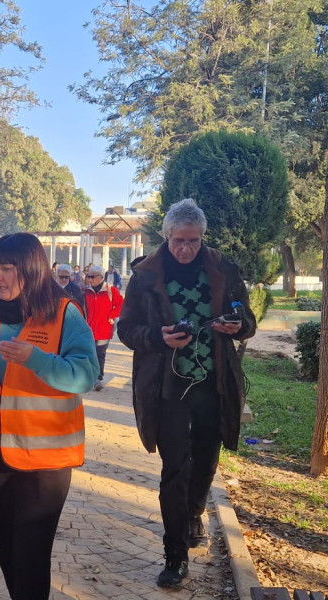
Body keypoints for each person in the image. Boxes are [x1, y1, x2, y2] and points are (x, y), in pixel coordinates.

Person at [117, 198, 256, 588]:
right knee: (174, 468)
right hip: (168, 386)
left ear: (202, 238)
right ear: (165, 236)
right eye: (179, 240)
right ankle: (175, 556)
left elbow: (247, 319)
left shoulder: (223, 269)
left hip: (213, 385)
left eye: (193, 241)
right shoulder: (145, 275)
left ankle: (195, 510)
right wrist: (159, 338)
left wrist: (238, 325)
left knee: (207, 459)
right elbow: (126, 330)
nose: (185, 248)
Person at [0, 233, 98, 600]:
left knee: (31, 553)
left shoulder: (64, 313)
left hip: (43, 463)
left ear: (31, 270)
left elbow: (85, 374)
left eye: (7, 268)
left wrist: (35, 358)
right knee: (6, 548)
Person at [83, 265, 123, 392]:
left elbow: (121, 305)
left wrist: (111, 316)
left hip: (104, 329)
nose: (89, 279)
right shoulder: (85, 291)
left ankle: (98, 378)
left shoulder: (111, 291)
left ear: (100, 277)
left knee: (100, 354)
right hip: (88, 329)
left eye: (92, 277)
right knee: (88, 353)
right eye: (88, 276)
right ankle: (90, 378)